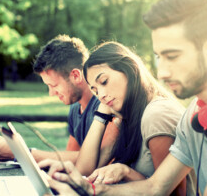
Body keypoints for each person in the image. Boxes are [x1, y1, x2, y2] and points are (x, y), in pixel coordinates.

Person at [41, 0, 207, 195]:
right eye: (159, 58)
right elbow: (155, 187)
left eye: (172, 56)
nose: (162, 72)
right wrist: (90, 189)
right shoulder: (193, 118)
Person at [40, 41, 196, 195]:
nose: (100, 95)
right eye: (95, 90)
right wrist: (101, 115)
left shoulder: (156, 114)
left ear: (129, 70)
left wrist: (125, 172)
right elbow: (85, 171)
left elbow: (174, 193)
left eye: (104, 82)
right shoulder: (125, 118)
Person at [0, 34, 119, 166]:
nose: (51, 93)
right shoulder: (75, 108)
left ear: (76, 75)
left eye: (53, 85)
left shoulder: (106, 103)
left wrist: (20, 153)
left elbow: (98, 160)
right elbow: (70, 159)